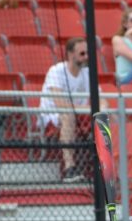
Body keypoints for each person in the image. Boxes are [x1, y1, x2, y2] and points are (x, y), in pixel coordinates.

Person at [39, 37, 104, 184]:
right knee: (68, 116)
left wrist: (102, 108)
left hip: (80, 114)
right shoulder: (56, 71)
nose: (86, 57)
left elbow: (102, 99)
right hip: (53, 116)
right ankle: (69, 167)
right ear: (70, 54)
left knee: (106, 116)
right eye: (82, 53)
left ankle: (105, 166)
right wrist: (90, 108)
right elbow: (61, 104)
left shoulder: (87, 73)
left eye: (88, 53)